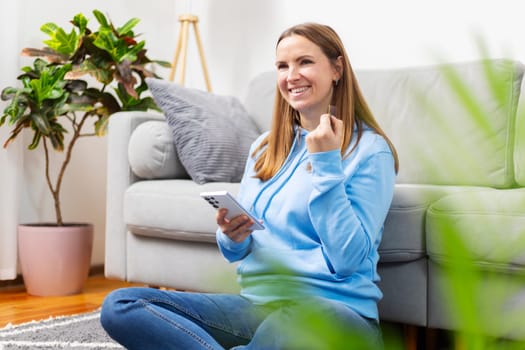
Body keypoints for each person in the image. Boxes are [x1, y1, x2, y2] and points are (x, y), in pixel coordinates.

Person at [101, 22, 398, 350]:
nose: (291, 75)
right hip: (257, 307)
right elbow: (239, 251)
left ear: (337, 68)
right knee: (121, 306)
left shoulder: (370, 151)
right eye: (282, 66)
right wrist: (231, 234)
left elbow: (348, 260)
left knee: (290, 324)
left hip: (334, 314)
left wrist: (327, 164)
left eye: (305, 62)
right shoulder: (263, 148)